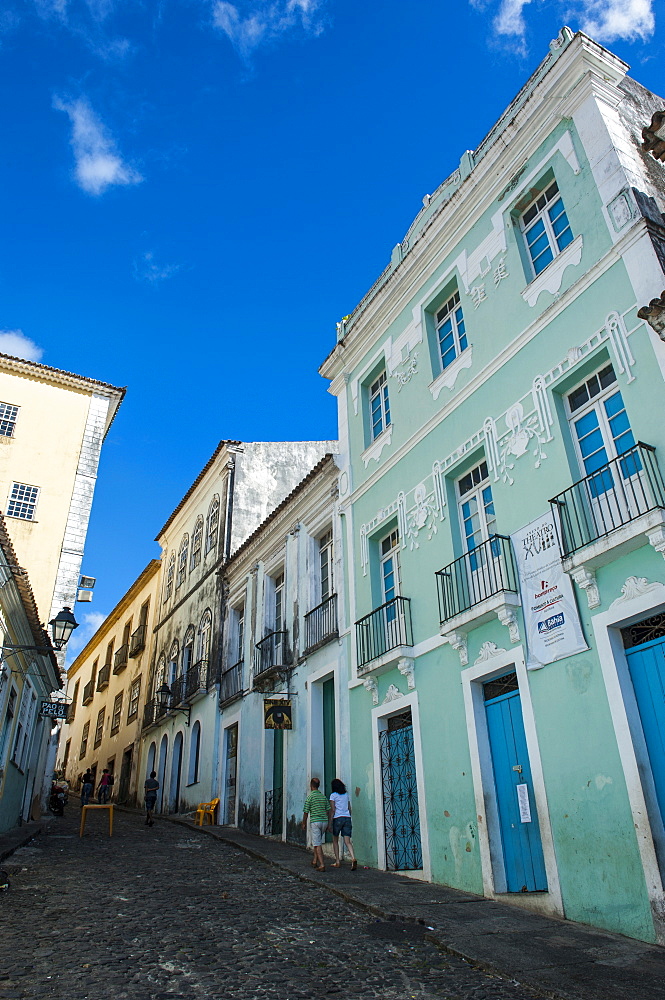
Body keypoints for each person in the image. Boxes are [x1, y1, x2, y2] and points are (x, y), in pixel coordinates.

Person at [301, 777, 330, 871]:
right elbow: (328, 810)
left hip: (315, 822)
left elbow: (306, 812)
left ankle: (322, 864)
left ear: (311, 786)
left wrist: (304, 823)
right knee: (317, 842)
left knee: (317, 843)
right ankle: (314, 860)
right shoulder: (323, 796)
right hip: (324, 822)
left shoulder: (310, 797)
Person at [329, 778, 357, 870]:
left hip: (338, 818)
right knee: (347, 841)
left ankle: (337, 861)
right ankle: (353, 858)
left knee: (335, 840)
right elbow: (349, 808)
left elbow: (333, 809)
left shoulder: (333, 795)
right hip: (347, 818)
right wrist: (349, 817)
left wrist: (330, 822)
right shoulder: (346, 795)